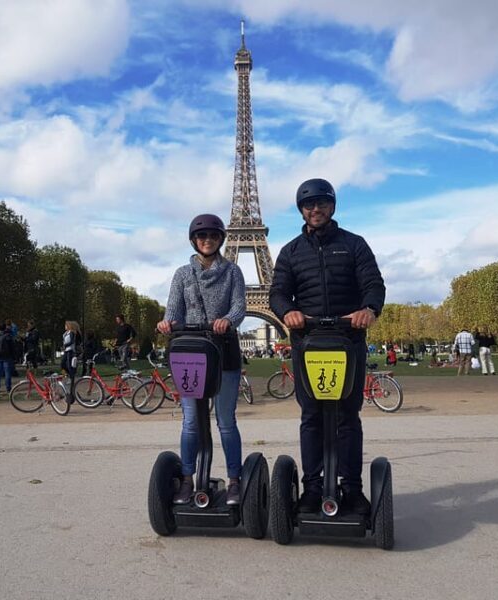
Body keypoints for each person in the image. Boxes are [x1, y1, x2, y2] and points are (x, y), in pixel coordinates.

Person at [269, 178, 385, 515]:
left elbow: (372, 283)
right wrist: (287, 311)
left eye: (321, 203)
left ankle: (352, 488)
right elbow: (277, 291)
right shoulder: (290, 251)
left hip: (348, 340)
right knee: (312, 416)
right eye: (309, 205)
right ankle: (313, 486)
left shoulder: (354, 245)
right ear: (301, 210)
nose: (315, 209)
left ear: (332, 207)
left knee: (348, 416)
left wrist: (369, 309)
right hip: (308, 342)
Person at [157, 213, 247, 506]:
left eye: (212, 236)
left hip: (223, 352)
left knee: (225, 422)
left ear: (220, 239)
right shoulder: (183, 273)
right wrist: (167, 323)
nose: (206, 240)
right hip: (192, 352)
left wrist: (227, 320)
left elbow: (239, 307)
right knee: (191, 422)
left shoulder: (233, 272)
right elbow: (173, 308)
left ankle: (235, 479)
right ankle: (186, 479)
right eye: (201, 236)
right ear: (194, 240)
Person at [61, 321, 81, 399]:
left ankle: (70, 377)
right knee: (62, 364)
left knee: (69, 365)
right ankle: (65, 375)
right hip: (66, 351)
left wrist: (65, 345)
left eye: (66, 325)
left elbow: (72, 341)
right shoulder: (66, 333)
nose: (65, 326)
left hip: (70, 350)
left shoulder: (72, 333)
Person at [0, 323, 15, 394]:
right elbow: (12, 346)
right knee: (7, 372)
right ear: (5, 328)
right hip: (7, 356)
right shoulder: (8, 336)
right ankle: (8, 388)